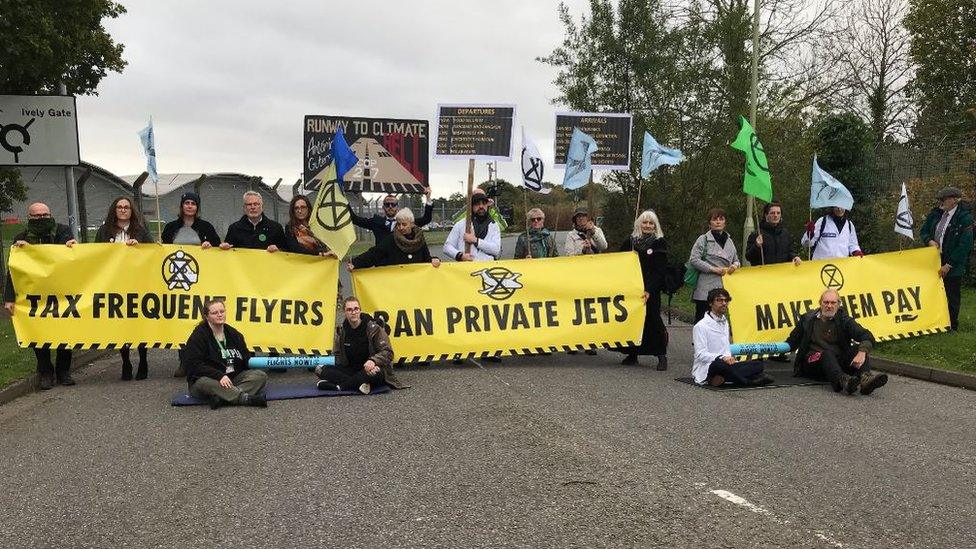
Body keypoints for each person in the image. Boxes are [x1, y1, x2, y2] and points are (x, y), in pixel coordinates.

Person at [3, 203, 78, 389]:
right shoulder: (21, 238)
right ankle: (45, 372)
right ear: (30, 217)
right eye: (37, 216)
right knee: (38, 334)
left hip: (62, 294)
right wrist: (9, 298)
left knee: (64, 332)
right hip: (34, 296)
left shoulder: (62, 231)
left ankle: (63, 371)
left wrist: (71, 247)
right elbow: (14, 270)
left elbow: (69, 256)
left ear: (51, 214)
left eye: (45, 214)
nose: (42, 218)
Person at [95, 196, 155, 380]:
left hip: (138, 283)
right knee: (121, 321)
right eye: (119, 207)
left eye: (126, 207)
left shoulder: (141, 231)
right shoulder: (104, 231)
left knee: (139, 321)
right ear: (114, 210)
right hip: (116, 283)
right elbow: (95, 253)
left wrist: (140, 248)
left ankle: (143, 359)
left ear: (131, 211)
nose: (123, 210)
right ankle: (126, 360)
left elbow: (154, 252)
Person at [785, 289, 887, 396]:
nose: (829, 306)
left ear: (838, 305)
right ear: (820, 303)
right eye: (826, 302)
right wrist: (773, 350)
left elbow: (866, 335)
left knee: (857, 348)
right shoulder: (807, 319)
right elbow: (791, 342)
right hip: (812, 364)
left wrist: (862, 352)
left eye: (833, 303)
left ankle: (865, 380)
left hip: (836, 362)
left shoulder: (844, 320)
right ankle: (842, 380)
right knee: (826, 353)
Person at [182, 298, 268, 408]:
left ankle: (223, 398)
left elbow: (245, 357)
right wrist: (219, 376)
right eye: (214, 313)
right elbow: (194, 365)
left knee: (260, 376)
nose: (219, 315)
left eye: (222, 311)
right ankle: (246, 399)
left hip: (232, 378)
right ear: (206, 316)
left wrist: (249, 362)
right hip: (208, 379)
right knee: (206, 383)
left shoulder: (234, 334)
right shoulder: (198, 336)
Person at [316, 296, 406, 394]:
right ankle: (361, 384)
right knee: (321, 369)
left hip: (372, 369)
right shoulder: (342, 331)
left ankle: (339, 387)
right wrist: (324, 362)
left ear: (360, 310)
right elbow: (337, 355)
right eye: (349, 310)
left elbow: (388, 353)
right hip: (352, 369)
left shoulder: (374, 328)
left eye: (356, 309)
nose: (353, 312)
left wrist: (373, 361)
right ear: (345, 313)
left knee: (375, 374)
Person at [618, 210, 670, 369]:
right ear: (639, 224)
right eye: (645, 222)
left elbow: (660, 270)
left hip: (650, 289)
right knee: (633, 320)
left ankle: (661, 355)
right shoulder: (631, 241)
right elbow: (618, 261)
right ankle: (632, 353)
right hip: (632, 288)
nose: (647, 225)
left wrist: (649, 289)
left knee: (653, 320)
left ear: (655, 226)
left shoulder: (659, 243)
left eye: (651, 223)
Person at [692, 288, 773, 387]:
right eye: (719, 300)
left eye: (726, 300)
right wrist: (722, 358)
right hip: (711, 365)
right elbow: (700, 354)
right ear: (710, 303)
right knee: (721, 365)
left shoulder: (725, 322)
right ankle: (749, 381)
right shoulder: (701, 326)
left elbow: (726, 349)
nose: (724, 303)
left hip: (728, 364)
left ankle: (722, 378)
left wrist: (730, 359)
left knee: (758, 364)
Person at [919, 187, 973, 331]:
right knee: (933, 292)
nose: (941, 202)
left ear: (955, 200)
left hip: (953, 263)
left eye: (944, 199)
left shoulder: (965, 218)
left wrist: (949, 265)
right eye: (940, 199)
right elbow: (923, 231)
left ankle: (951, 324)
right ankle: (933, 321)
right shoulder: (935, 214)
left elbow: (965, 244)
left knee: (951, 293)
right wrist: (929, 240)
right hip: (934, 260)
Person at [688, 208, 740, 322]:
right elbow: (694, 259)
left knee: (718, 321)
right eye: (714, 219)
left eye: (721, 219)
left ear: (725, 223)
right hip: (705, 289)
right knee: (703, 321)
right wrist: (712, 269)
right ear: (709, 223)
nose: (718, 222)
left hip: (723, 287)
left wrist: (734, 266)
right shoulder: (703, 239)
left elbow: (736, 260)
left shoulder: (729, 241)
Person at [347, 208, 440, 269]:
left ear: (411, 224)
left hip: (416, 281)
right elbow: (374, 254)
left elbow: (426, 258)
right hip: (397, 282)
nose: (401, 227)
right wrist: (355, 263)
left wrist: (435, 259)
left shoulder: (420, 238)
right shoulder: (392, 239)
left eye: (404, 224)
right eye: (398, 224)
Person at [350, 187, 433, 244]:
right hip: (382, 264)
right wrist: (344, 201)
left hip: (400, 264)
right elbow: (355, 219)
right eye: (387, 204)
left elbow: (426, 219)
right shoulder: (376, 222)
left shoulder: (406, 222)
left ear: (397, 207)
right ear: (383, 207)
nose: (390, 207)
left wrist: (428, 198)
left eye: (393, 204)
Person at [444, 190, 501, 262]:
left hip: (487, 268)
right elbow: (447, 247)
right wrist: (460, 256)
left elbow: (496, 250)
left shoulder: (494, 225)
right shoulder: (461, 224)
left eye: (484, 203)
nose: (481, 206)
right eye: (477, 204)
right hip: (466, 269)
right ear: (471, 206)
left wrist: (475, 241)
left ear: (487, 205)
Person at [219, 191, 286, 252]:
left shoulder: (275, 228)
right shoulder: (234, 228)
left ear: (262, 206)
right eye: (249, 204)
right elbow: (228, 252)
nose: (253, 207)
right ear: (244, 208)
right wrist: (225, 247)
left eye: (256, 204)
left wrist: (277, 249)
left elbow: (285, 251)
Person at [745, 201, 802, 266]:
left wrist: (795, 257)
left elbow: (790, 252)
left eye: (778, 213)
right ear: (766, 215)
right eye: (772, 213)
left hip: (782, 273)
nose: (775, 215)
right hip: (763, 274)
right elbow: (748, 257)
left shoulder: (785, 233)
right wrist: (756, 246)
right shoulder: (756, 234)